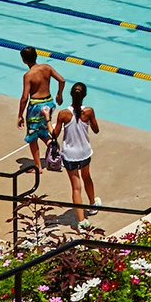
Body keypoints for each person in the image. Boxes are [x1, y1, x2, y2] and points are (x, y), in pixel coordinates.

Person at [51, 82, 101, 228]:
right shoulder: (89, 112)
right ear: (84, 95)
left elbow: (55, 134)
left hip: (70, 155)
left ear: (71, 95)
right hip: (84, 152)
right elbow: (96, 130)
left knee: (76, 187)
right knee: (87, 177)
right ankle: (92, 204)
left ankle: (82, 221)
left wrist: (48, 119)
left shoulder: (63, 114)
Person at [16, 46, 66, 182]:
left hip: (36, 106)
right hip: (49, 103)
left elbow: (25, 97)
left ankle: (38, 167)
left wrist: (20, 115)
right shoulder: (46, 68)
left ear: (24, 60)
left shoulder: (28, 75)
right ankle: (53, 149)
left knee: (32, 137)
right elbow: (62, 80)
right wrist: (59, 95)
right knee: (43, 131)